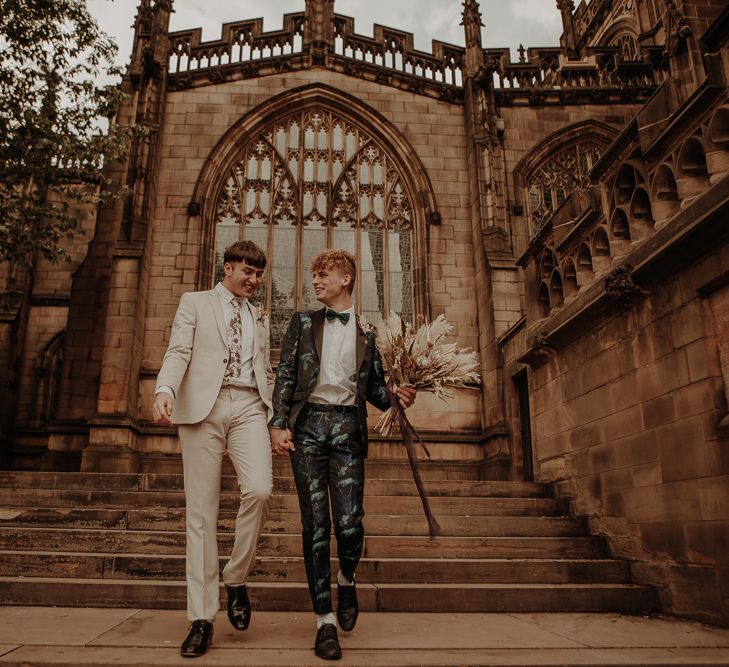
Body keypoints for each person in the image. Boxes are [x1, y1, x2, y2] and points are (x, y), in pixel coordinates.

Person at [268, 249, 416, 661]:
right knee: (315, 524)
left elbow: (377, 392)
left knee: (349, 523)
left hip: (348, 429)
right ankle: (324, 621)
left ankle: (347, 577)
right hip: (309, 428)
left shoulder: (369, 331)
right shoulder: (301, 323)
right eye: (314, 277)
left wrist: (400, 397)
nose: (315, 282)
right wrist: (277, 423)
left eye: (323, 276)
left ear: (346, 279)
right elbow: (285, 373)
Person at [153, 240, 274, 658]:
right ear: (227, 268)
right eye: (248, 272)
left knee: (259, 489)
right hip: (202, 406)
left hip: (249, 405)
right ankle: (201, 618)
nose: (254, 281)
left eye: (259, 275)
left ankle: (236, 576)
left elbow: (265, 367)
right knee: (201, 513)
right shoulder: (195, 302)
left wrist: (276, 418)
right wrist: (165, 389)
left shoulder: (260, 315)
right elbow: (179, 350)